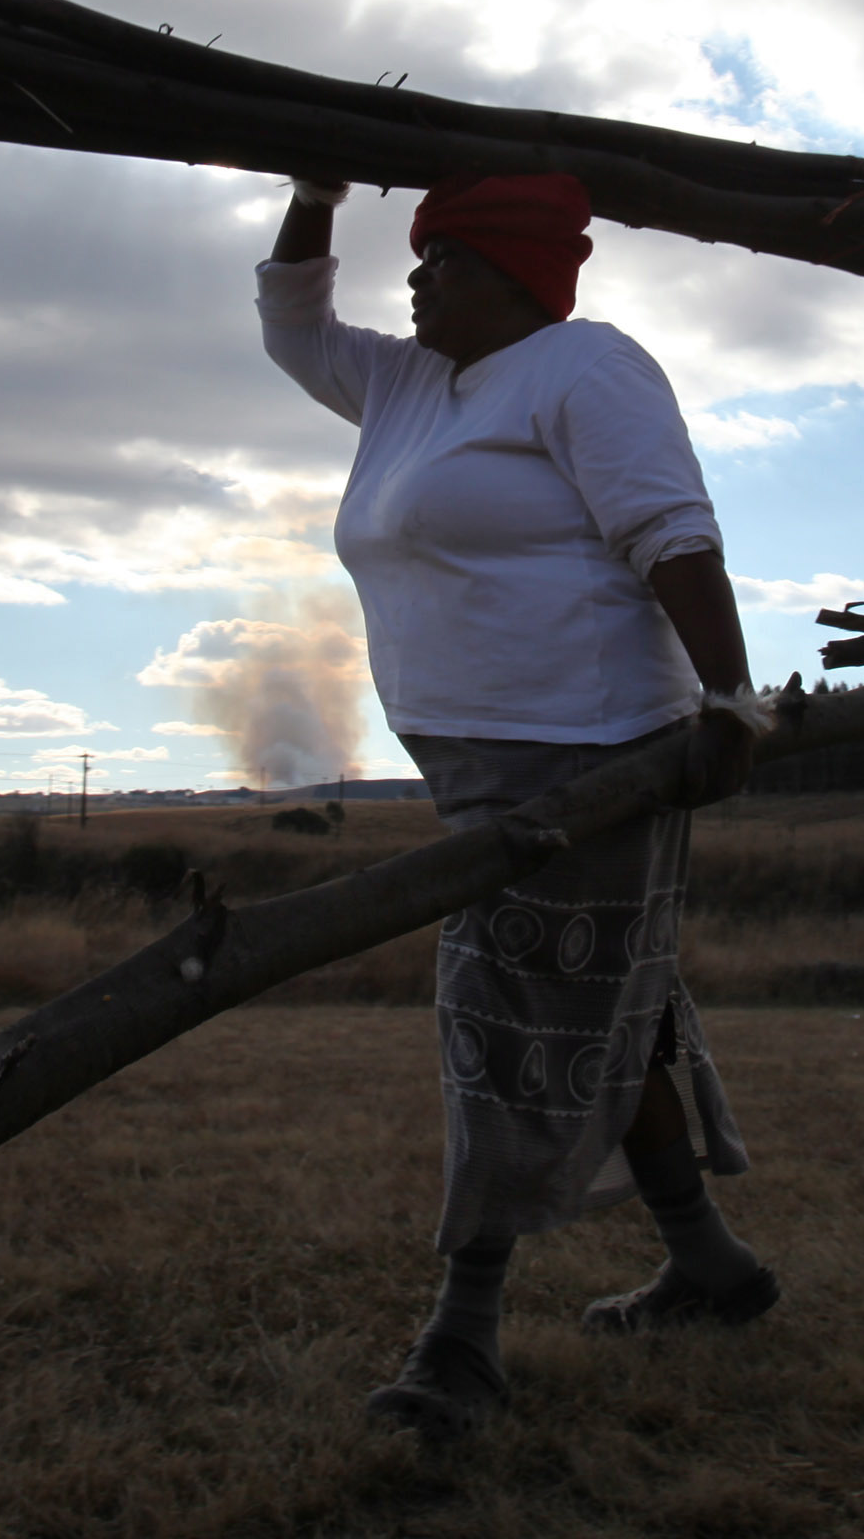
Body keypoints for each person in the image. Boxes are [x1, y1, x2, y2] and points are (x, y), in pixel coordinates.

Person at [258, 168, 777, 1440]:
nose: (416, 275)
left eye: (443, 258)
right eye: (415, 255)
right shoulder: (401, 385)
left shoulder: (582, 367)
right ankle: (706, 1259)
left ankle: (462, 1332)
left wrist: (729, 700)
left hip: (589, 751)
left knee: (503, 1014)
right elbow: (289, 323)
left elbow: (671, 532)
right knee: (612, 1005)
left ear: (513, 274)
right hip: (471, 762)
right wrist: (314, 192)